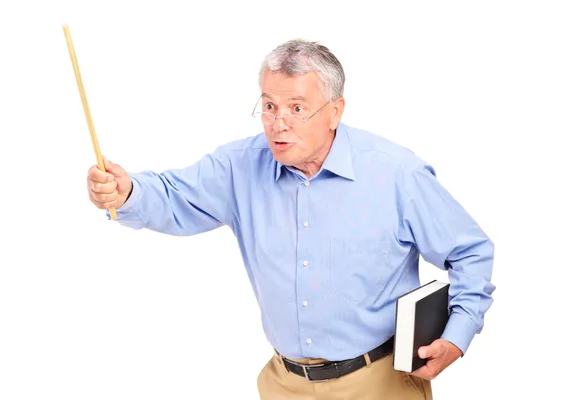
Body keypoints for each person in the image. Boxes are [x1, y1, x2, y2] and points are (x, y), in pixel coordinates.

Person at [86, 39, 495, 400]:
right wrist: (127, 192)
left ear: (334, 112)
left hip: (378, 383)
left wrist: (456, 337)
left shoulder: (397, 175)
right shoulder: (240, 166)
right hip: (285, 383)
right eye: (269, 106)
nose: (278, 123)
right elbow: (174, 196)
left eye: (297, 108)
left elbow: (470, 252)